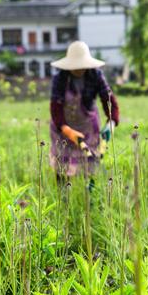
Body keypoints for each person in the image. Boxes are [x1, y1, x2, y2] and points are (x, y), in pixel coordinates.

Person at [49, 41, 120, 188]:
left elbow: (108, 99)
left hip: (87, 126)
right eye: (75, 66)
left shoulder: (96, 75)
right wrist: (67, 130)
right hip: (63, 126)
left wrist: (111, 122)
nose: (79, 69)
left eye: (82, 65)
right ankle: (64, 199)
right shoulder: (60, 79)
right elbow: (55, 108)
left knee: (90, 163)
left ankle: (90, 198)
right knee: (62, 166)